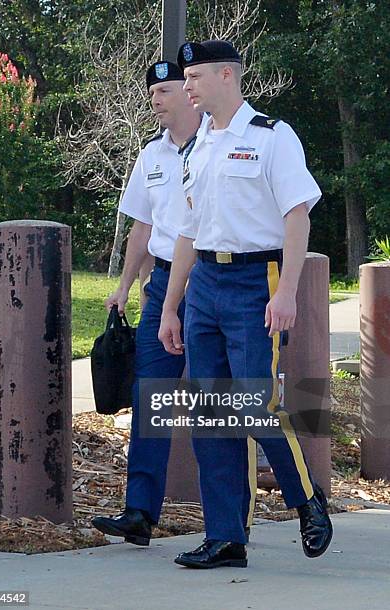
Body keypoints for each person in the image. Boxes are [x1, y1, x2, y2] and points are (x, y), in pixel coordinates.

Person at [158, 40, 333, 569]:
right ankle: (226, 537)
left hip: (257, 280)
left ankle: (307, 501)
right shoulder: (197, 147)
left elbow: (297, 216)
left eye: (195, 76)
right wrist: (172, 306)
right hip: (205, 284)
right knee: (212, 415)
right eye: (185, 78)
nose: (187, 86)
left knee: (257, 406)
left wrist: (286, 293)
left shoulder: (272, 137)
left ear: (227, 76)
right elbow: (187, 233)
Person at [91, 60, 258, 546]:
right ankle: (140, 512)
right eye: (154, 94)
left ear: (190, 93)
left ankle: (233, 520)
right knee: (152, 400)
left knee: (222, 401)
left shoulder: (224, 142)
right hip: (163, 286)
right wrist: (125, 286)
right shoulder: (151, 156)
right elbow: (142, 227)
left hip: (212, 283)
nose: (158, 100)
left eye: (166, 90)